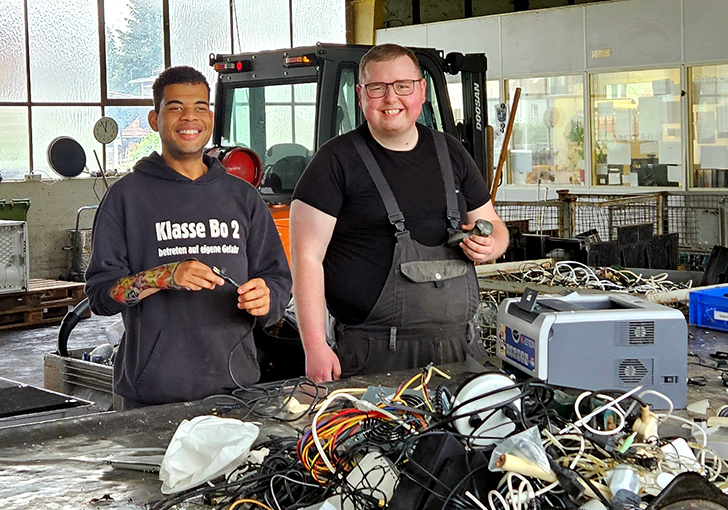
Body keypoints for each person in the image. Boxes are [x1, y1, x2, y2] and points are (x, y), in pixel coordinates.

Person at [290, 44, 509, 384]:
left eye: (403, 86)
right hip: (372, 354)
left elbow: (494, 223)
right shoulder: (334, 162)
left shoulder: (451, 152)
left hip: (459, 351)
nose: (391, 99)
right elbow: (306, 258)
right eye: (378, 88)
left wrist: (493, 243)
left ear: (421, 91)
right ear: (361, 95)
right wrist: (315, 346)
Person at [85, 66, 292, 407]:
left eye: (200, 107)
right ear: (155, 119)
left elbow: (278, 280)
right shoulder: (127, 197)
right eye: (175, 107)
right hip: (153, 396)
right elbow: (100, 296)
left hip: (236, 390)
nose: (189, 117)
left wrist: (268, 298)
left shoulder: (244, 198)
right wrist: (164, 275)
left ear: (210, 116)